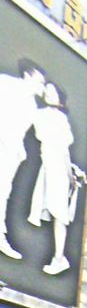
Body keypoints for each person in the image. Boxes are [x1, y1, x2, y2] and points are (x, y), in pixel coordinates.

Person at [27, 82, 86, 275]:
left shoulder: (59, 118)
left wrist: (70, 175)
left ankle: (59, 258)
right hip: (50, 166)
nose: (48, 94)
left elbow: (63, 152)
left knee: (59, 216)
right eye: (47, 91)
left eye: (52, 91)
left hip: (57, 168)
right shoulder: (41, 114)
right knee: (56, 214)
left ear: (59, 97)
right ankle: (59, 258)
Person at [0, 59, 45, 259]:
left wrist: (18, 152)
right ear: (28, 75)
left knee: (2, 192)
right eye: (40, 81)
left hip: (9, 154)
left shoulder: (32, 107)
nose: (41, 86)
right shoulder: (5, 83)